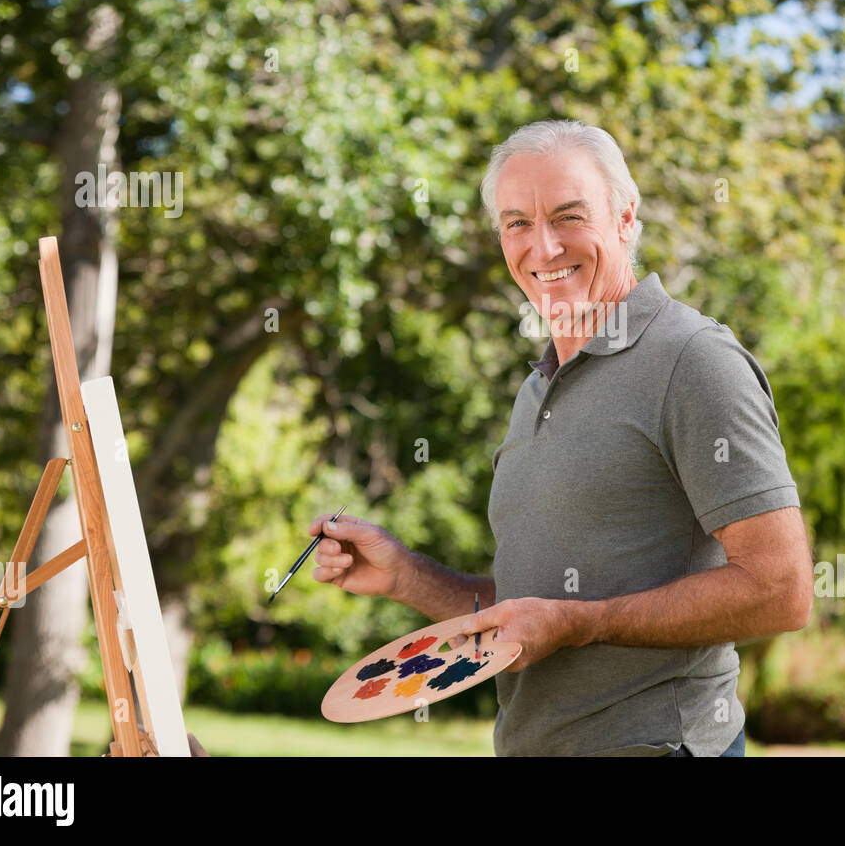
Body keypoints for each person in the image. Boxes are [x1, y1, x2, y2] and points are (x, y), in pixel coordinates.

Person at [310, 119, 813, 756]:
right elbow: (532, 613)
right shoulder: (538, 388)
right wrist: (405, 576)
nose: (542, 247)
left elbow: (781, 590)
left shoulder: (693, 361)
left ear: (626, 219)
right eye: (517, 223)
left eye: (569, 217)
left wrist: (581, 625)